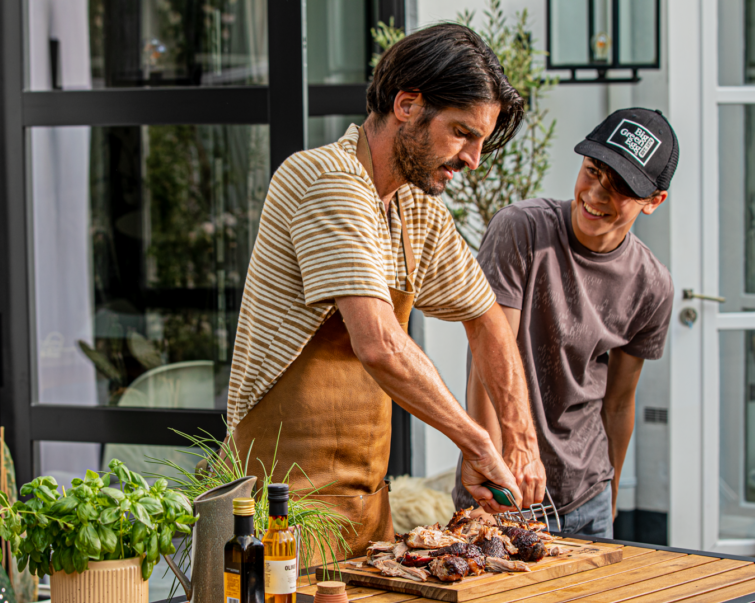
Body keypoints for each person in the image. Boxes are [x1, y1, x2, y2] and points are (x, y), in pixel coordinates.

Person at [225, 23, 545, 558]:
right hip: (278, 513)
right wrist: (476, 441)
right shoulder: (326, 179)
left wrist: (522, 440)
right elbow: (379, 343)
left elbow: (487, 318)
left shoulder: (414, 210)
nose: (473, 159)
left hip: (367, 514)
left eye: (481, 142)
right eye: (463, 132)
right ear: (407, 104)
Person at [452, 108, 678, 538]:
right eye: (592, 172)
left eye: (621, 189)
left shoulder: (652, 285)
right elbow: (488, 360)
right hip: (500, 499)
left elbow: (618, 402)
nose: (595, 194)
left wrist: (609, 495)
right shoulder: (520, 231)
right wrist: (494, 479)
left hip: (585, 500)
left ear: (654, 201)